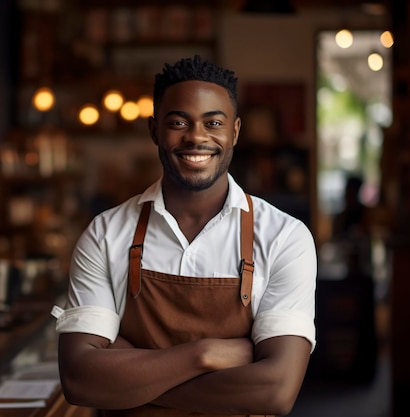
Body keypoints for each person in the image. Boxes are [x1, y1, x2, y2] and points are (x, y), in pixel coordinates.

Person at [51, 55, 317, 417]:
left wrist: (131, 379)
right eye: (178, 122)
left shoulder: (284, 237)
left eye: (213, 123)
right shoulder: (106, 233)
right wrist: (204, 354)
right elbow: (80, 380)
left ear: (235, 132)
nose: (196, 137)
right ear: (154, 130)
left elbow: (275, 391)